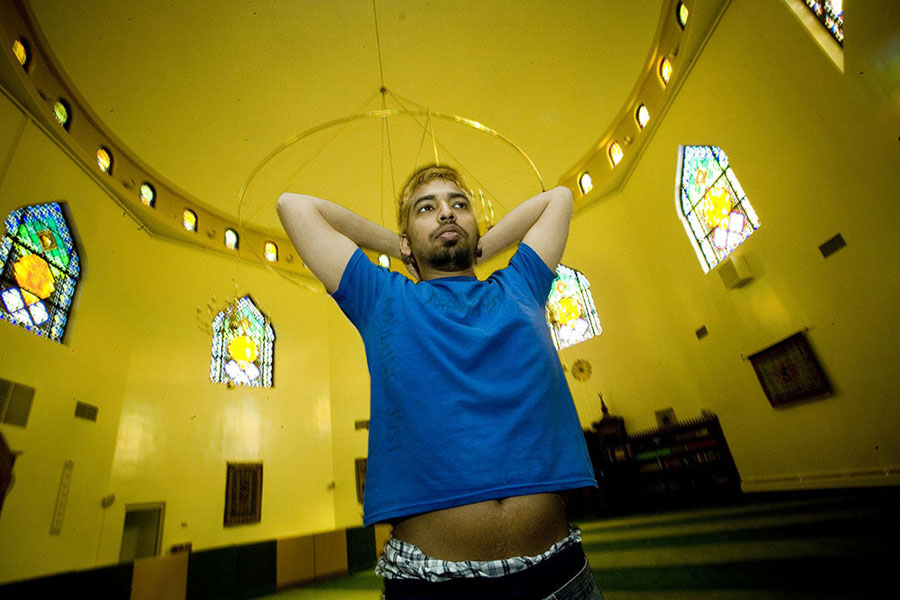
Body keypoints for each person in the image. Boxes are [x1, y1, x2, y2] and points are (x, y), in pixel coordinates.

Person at [277, 165, 602, 599]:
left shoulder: (522, 284)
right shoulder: (381, 297)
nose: (446, 214)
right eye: (426, 208)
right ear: (407, 238)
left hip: (559, 572)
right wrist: (397, 246)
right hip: (432, 585)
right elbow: (293, 206)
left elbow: (558, 198)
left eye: (459, 205)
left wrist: (483, 246)